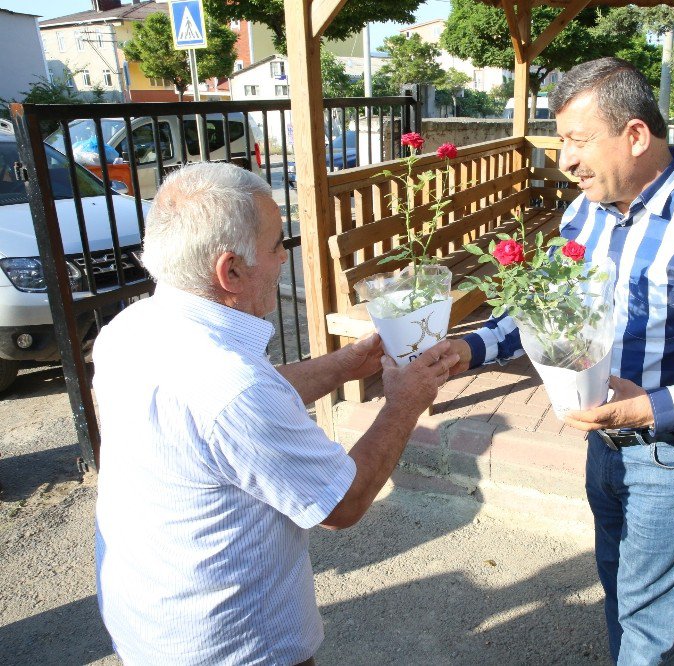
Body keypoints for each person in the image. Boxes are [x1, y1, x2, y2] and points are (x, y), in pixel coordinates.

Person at [444, 58, 674, 663]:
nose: (565, 160)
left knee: (645, 621)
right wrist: (467, 348)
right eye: (562, 143)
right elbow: (543, 308)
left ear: (635, 135)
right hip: (605, 445)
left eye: (578, 142)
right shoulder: (586, 211)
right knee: (616, 582)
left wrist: (648, 410)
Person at [93, 162, 459, 665]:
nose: (284, 257)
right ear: (231, 271)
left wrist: (343, 365)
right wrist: (405, 404)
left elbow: (231, 410)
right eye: (275, 245)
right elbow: (342, 505)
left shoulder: (131, 328)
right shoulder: (231, 385)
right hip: (235, 646)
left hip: (152, 622)